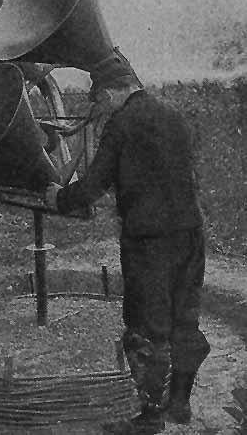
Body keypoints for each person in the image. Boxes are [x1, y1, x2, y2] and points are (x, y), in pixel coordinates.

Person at [45, 49, 211, 434]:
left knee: (146, 330)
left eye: (100, 101)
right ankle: (179, 404)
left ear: (110, 92)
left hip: (149, 244)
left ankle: (150, 419)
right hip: (190, 235)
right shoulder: (174, 115)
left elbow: (91, 187)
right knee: (185, 321)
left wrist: (59, 198)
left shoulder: (120, 124)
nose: (101, 109)